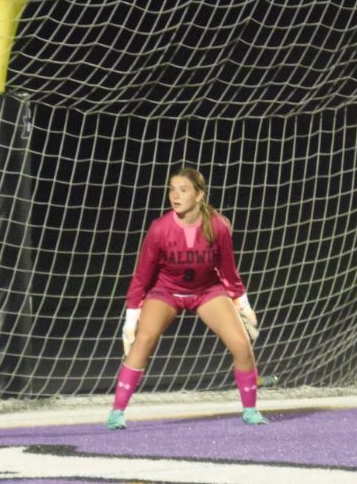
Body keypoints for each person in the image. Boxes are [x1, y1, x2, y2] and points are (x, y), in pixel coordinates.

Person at [106, 167, 267, 429]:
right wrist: (131, 317)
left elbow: (229, 271)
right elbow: (141, 276)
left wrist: (244, 306)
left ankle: (250, 410)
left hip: (207, 291)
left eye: (183, 190)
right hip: (166, 291)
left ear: (199, 195)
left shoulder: (218, 225)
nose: (175, 195)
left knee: (241, 343)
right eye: (172, 189)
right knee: (143, 340)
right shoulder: (159, 228)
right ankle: (117, 412)